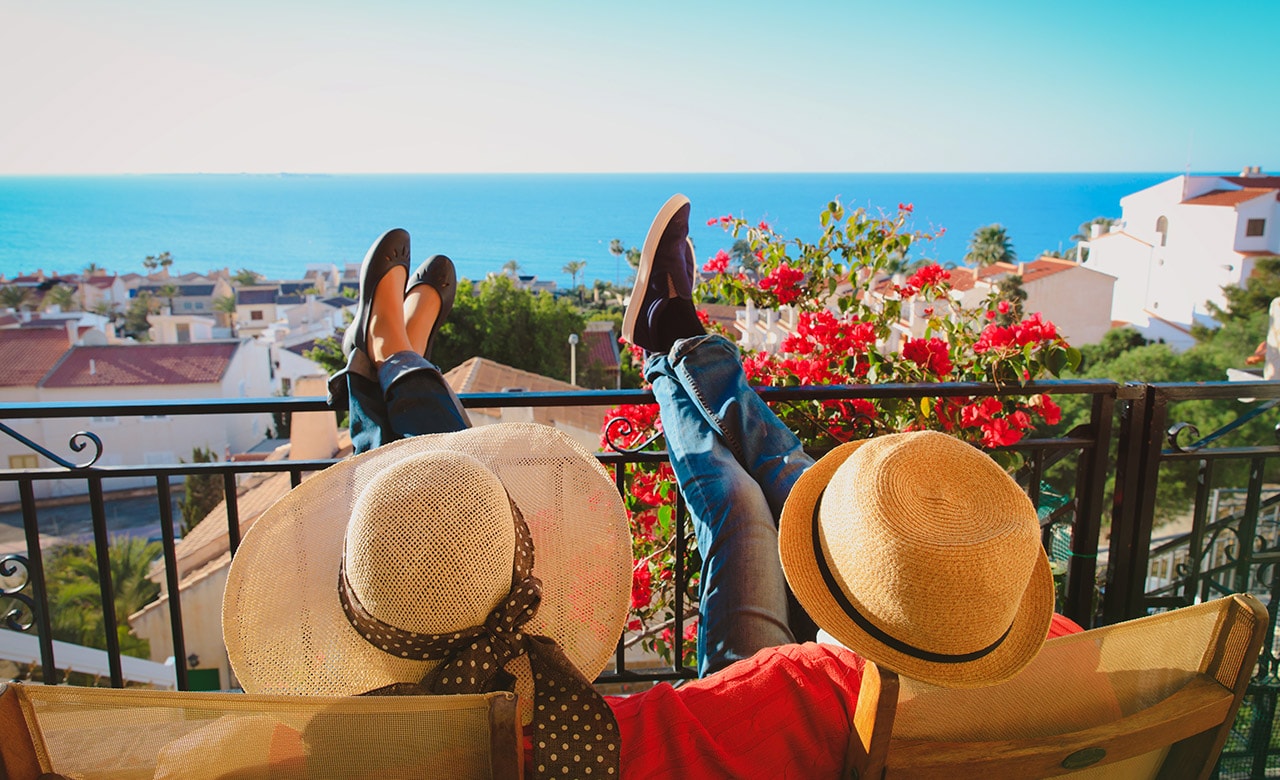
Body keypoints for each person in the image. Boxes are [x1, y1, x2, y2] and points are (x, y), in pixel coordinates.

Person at [221, 207, 1081, 779]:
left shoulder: (790, 694)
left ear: (848, 599)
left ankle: (388, 367)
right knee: (746, 504)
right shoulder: (1069, 668)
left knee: (450, 523)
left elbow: (596, 737)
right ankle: (658, 338)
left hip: (775, 740)